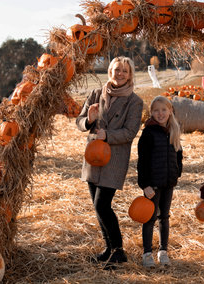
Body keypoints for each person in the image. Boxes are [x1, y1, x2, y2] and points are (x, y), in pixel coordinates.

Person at [76, 56, 143, 267]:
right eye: (116, 70)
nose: (120, 74)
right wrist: (89, 120)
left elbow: (130, 132)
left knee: (102, 204)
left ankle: (119, 250)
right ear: (110, 71)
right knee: (97, 207)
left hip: (114, 160)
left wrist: (108, 135)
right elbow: (79, 121)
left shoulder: (135, 101)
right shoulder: (96, 94)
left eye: (124, 71)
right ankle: (108, 249)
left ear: (130, 74)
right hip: (93, 156)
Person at [137, 96, 183, 268]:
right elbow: (142, 161)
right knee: (149, 218)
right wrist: (145, 184)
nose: (160, 113)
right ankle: (147, 253)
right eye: (156, 110)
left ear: (170, 111)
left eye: (164, 110)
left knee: (164, 217)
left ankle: (163, 251)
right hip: (152, 185)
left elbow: (179, 155)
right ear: (151, 113)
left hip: (168, 182)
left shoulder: (174, 130)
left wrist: (177, 173)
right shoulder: (148, 132)